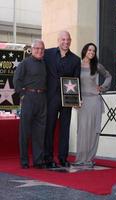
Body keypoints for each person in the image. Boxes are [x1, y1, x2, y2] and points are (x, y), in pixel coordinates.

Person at [44, 31, 81, 168]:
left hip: (68, 99)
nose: (66, 42)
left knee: (65, 129)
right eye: (63, 39)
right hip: (51, 97)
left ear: (70, 41)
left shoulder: (76, 60)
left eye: (68, 39)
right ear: (58, 40)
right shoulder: (47, 54)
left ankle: (63, 158)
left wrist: (78, 99)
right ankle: (47, 158)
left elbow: (77, 80)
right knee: (50, 128)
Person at [74, 43, 112, 167]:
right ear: (85, 50)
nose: (91, 52)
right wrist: (74, 100)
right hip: (82, 102)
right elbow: (71, 82)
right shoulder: (77, 65)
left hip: (95, 100)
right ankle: (80, 159)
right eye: (90, 49)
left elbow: (108, 76)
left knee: (93, 130)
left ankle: (89, 158)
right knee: (82, 130)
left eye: (94, 51)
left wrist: (103, 87)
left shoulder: (96, 66)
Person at [13, 39, 47, 169]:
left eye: (42, 49)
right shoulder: (24, 63)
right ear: (32, 50)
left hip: (42, 98)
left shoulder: (45, 63)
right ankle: (24, 161)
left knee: (40, 132)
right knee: (25, 131)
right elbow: (17, 80)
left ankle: (38, 161)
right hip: (29, 98)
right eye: (37, 48)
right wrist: (22, 95)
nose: (39, 51)